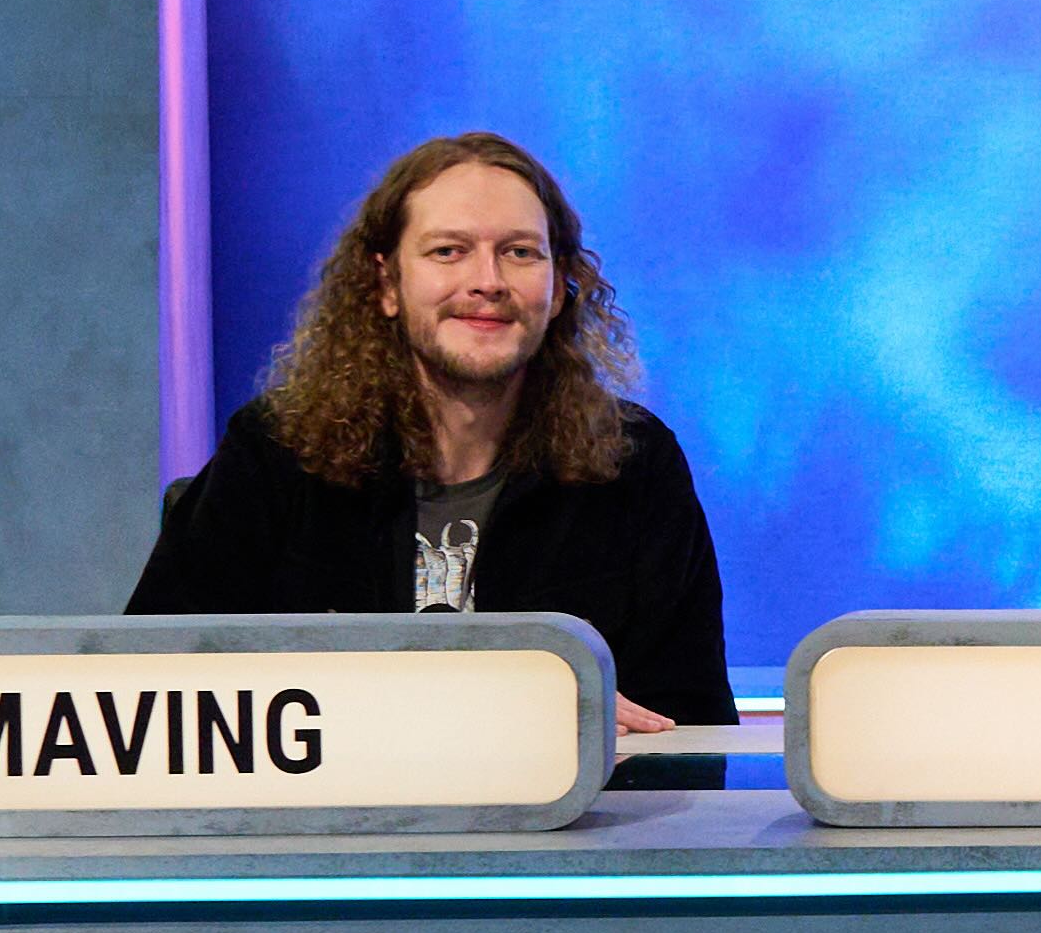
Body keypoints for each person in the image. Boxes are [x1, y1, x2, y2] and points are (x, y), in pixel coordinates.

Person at [132, 128, 736, 726]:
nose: (488, 281)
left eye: (520, 252)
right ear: (388, 284)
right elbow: (146, 699)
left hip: (577, 822)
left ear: (557, 291)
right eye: (449, 251)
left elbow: (691, 732)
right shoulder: (276, 451)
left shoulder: (632, 462)